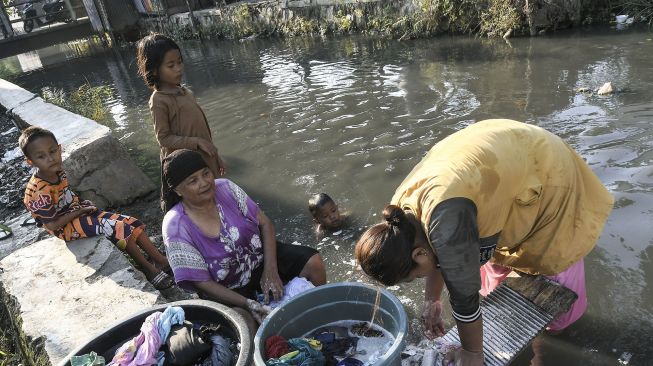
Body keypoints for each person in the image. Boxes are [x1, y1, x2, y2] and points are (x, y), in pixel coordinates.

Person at [354, 119, 614, 365]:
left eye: (414, 277)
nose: (420, 279)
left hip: (546, 172)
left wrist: (472, 352)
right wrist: (432, 299)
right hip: (494, 167)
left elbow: (463, 296)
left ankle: (549, 343)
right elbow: (436, 253)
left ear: (419, 254)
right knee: (487, 274)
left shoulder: (447, 224)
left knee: (552, 301)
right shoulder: (397, 217)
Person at [161, 149, 327, 327]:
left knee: (313, 262)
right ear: (178, 190)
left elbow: (265, 224)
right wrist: (247, 303)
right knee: (244, 323)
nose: (204, 183)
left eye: (206, 173)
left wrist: (270, 271)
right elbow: (201, 282)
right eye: (193, 181)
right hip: (226, 288)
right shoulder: (175, 226)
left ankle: (322, 315)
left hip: (260, 260)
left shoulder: (226, 188)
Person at [19, 126, 173, 290]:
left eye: (52, 151)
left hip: (77, 214)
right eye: (41, 156)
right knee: (117, 228)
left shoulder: (58, 172)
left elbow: (67, 197)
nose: (51, 159)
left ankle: (160, 260)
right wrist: (80, 211)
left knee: (132, 223)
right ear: (31, 162)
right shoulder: (38, 192)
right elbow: (52, 225)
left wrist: (82, 205)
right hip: (64, 227)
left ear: (59, 148)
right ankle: (148, 269)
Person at [136, 33, 226, 211]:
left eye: (180, 62)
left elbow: (202, 132)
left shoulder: (185, 92)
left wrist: (216, 156)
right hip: (187, 168)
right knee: (200, 205)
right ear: (154, 70)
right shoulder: (159, 100)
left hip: (205, 159)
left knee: (217, 199)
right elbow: (164, 138)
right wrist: (197, 142)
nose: (178, 68)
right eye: (171, 65)